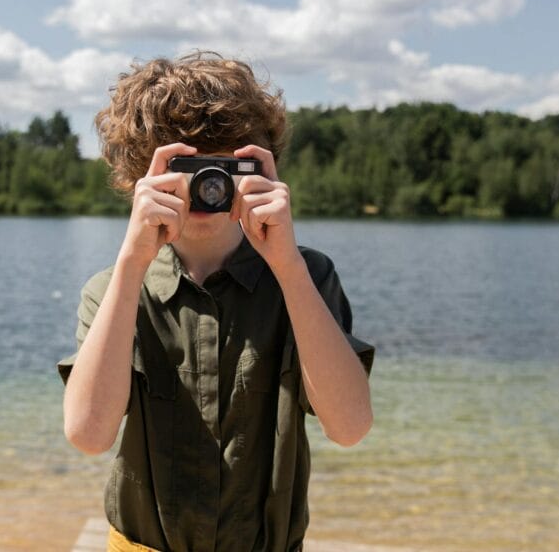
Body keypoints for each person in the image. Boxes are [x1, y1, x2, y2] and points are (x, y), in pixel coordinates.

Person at [57, 51, 374, 552]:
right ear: (143, 172)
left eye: (224, 166)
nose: (207, 187)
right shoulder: (114, 287)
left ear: (258, 166)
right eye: (186, 166)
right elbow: (89, 434)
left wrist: (287, 266)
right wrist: (132, 261)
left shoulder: (306, 276)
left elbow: (350, 426)